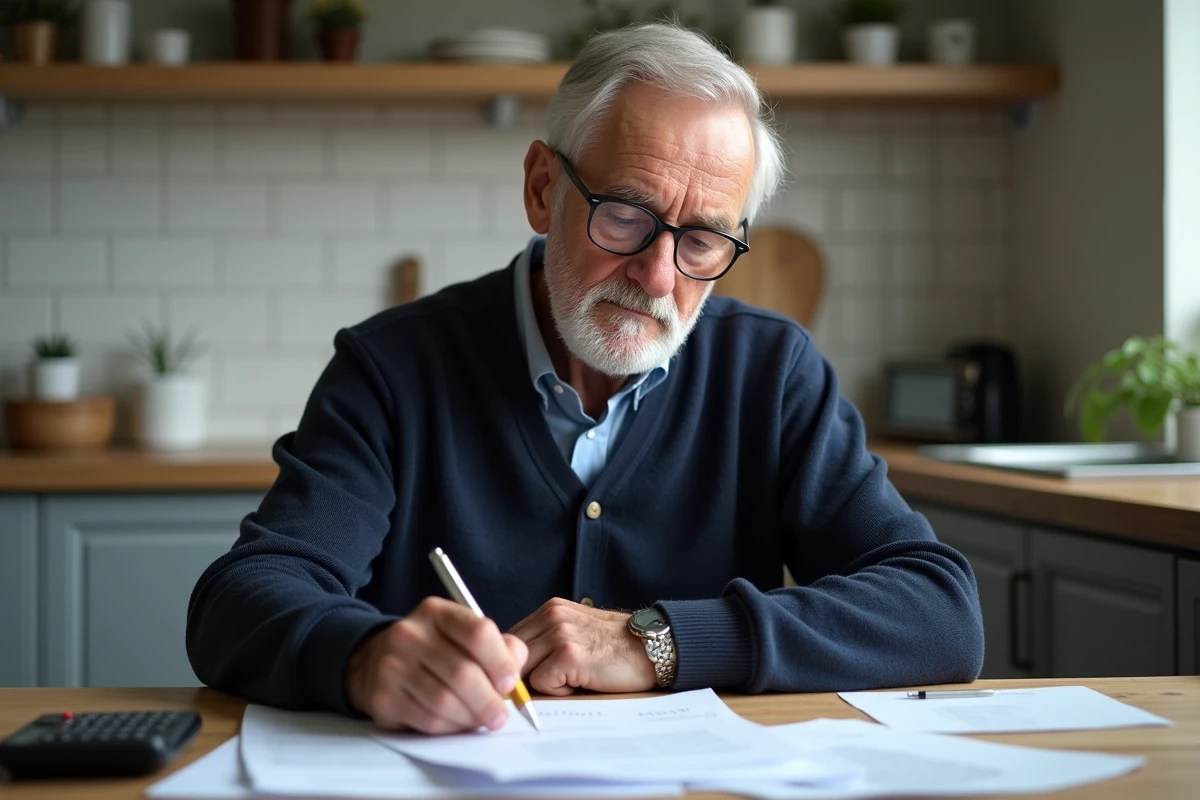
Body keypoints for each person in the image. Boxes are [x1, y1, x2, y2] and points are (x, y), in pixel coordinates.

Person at [187, 22, 984, 736]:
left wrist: (659, 640)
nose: (659, 276)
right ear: (542, 188)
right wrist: (361, 658)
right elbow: (241, 598)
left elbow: (939, 612)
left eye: (703, 240)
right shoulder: (393, 368)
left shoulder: (772, 373)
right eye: (627, 216)